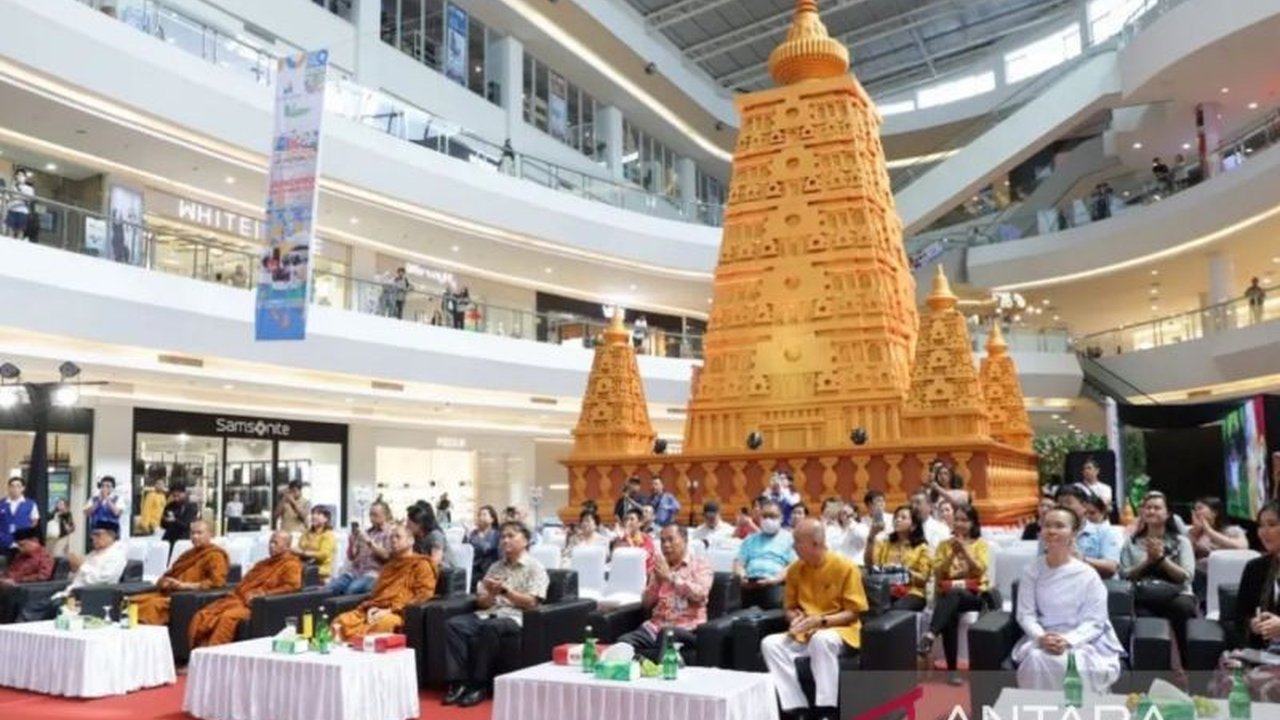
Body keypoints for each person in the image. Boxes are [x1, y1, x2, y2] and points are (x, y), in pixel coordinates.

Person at [761, 519, 869, 720]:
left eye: (797, 541)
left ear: (816, 543)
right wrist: (794, 618)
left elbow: (854, 612)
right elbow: (789, 607)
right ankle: (796, 707)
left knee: (822, 639)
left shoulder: (846, 568)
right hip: (805, 631)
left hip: (841, 631)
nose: (793, 546)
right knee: (770, 643)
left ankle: (826, 710)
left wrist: (820, 622)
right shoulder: (795, 569)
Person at [1014, 506, 1124, 692]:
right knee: (1036, 659)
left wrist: (1068, 640)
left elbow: (1095, 621)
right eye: (1047, 525)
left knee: (1073, 662)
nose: (1052, 531)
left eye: (1059, 526)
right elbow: (1026, 614)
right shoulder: (1032, 571)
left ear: (1073, 533)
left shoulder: (1088, 575)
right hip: (1044, 637)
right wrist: (1041, 637)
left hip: (1083, 640)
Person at [443, 521, 549, 709]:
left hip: (516, 617)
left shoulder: (535, 568)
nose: (505, 540)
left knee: (491, 627)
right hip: (490, 613)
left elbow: (532, 602)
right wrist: (492, 593)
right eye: (503, 537)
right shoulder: (495, 567)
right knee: (453, 624)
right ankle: (458, 682)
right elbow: (481, 602)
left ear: (525, 541)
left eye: (511, 536)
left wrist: (505, 591)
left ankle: (479, 684)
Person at [1119, 491, 1197, 668]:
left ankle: (1188, 667)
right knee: (1141, 616)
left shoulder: (1181, 542)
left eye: (1157, 508)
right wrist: (1147, 562)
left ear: (1167, 513)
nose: (1152, 511)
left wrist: (1161, 560)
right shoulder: (1131, 543)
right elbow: (1125, 575)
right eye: (1148, 508)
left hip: (1177, 594)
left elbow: (1186, 576)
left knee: (1183, 608)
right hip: (1144, 594)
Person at [188, 531, 303, 649]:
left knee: (227, 617)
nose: (271, 546)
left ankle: (214, 654)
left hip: (257, 605)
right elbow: (244, 583)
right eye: (270, 542)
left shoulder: (291, 565)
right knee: (203, 614)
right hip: (239, 600)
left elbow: (291, 587)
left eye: (275, 543)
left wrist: (263, 594)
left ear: (287, 546)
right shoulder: (262, 564)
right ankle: (197, 651)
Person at [617, 525, 713, 663]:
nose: (666, 545)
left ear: (685, 540)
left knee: (666, 633)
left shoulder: (700, 565)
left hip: (687, 628)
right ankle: (640, 674)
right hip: (655, 627)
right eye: (662, 541)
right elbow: (646, 604)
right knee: (623, 643)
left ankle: (661, 679)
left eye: (670, 540)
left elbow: (701, 594)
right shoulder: (659, 568)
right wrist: (656, 582)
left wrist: (671, 578)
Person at [919, 504, 991, 683]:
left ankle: (930, 634)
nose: (959, 523)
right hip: (950, 595)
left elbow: (980, 569)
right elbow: (938, 571)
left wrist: (965, 552)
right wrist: (952, 554)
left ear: (973, 523)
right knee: (950, 615)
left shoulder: (980, 544)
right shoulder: (944, 545)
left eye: (964, 520)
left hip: (974, 595)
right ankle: (952, 672)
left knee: (954, 595)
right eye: (957, 519)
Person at [333, 524, 437, 638]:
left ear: (411, 541)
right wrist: (372, 608)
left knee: (383, 624)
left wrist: (389, 610)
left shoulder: (421, 565)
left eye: (398, 537)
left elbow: (423, 596)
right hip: (377, 609)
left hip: (399, 612)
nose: (393, 540)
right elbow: (378, 595)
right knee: (340, 621)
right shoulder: (389, 566)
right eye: (391, 537)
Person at [18, 520, 128, 621]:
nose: (93, 538)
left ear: (111, 535)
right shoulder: (94, 553)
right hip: (72, 593)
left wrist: (81, 565)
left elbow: (102, 580)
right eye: (93, 534)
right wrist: (75, 567)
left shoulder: (116, 555)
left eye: (98, 535)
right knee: (31, 606)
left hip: (89, 597)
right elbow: (80, 574)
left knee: (38, 611)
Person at [129, 520, 229, 625]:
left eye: (199, 533)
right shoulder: (187, 555)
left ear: (210, 534)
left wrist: (185, 586)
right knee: (133, 601)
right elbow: (170, 573)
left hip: (185, 599)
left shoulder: (215, 556)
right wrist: (164, 583)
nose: (195, 536)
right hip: (171, 593)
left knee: (151, 607)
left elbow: (217, 583)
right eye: (192, 533)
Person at [864, 505, 931, 611]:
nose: (897, 520)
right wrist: (871, 536)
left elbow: (924, 578)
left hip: (912, 592)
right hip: (886, 590)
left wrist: (902, 571)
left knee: (895, 609)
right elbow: (870, 564)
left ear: (913, 525)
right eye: (896, 517)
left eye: (903, 518)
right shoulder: (885, 543)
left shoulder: (922, 548)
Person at [734, 499, 796, 609]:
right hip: (750, 584)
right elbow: (739, 563)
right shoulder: (750, 539)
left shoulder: (789, 539)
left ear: (781, 518)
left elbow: (793, 565)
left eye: (772, 516)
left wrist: (776, 579)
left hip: (775, 585)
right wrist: (742, 577)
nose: (768, 520)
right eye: (765, 516)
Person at [1189, 495, 1248, 604]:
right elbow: (1186, 558)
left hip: (1228, 576)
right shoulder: (1194, 533)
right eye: (1194, 509)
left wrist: (1209, 531)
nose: (1196, 512)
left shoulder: (1232, 530)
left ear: (1214, 512)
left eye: (1200, 508)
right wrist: (1194, 534)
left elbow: (1242, 547)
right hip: (1201, 578)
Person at [1054, 485, 1121, 579]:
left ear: (1084, 506)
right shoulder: (1051, 533)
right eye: (1059, 504)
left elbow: (1111, 566)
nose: (1063, 508)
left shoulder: (1104, 531)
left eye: (1068, 503)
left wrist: (1082, 559)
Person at [327, 501, 392, 595]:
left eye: (375, 515)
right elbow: (352, 557)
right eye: (370, 514)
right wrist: (352, 542)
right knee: (329, 588)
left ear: (386, 515)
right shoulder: (367, 532)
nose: (371, 518)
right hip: (355, 572)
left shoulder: (390, 533)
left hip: (373, 574)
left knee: (351, 590)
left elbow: (387, 555)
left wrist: (369, 541)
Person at [297, 506, 338, 582]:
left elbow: (323, 554)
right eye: (312, 513)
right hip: (304, 566)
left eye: (318, 514)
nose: (314, 516)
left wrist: (304, 553)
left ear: (326, 519)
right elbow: (299, 548)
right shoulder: (306, 533)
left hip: (321, 570)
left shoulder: (328, 535)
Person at [1, 476, 39, 555]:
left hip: (22, 545)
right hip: (3, 542)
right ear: (8, 488)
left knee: (20, 566)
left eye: (18, 486)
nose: (15, 489)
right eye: (12, 486)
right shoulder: (2, 503)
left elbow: (34, 522)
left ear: (23, 488)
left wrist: (26, 537)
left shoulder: (30, 504)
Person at [467, 505, 501, 586]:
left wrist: (479, 537)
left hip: (488, 569)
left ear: (492, 519)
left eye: (484, 515)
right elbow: (467, 549)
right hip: (473, 567)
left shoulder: (496, 534)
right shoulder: (473, 533)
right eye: (479, 515)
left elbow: (487, 548)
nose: (480, 517)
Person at [407, 501, 447, 566]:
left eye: (409, 523)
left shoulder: (435, 536)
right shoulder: (416, 537)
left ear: (420, 524)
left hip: (441, 573)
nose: (407, 526)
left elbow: (435, 562)